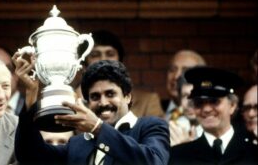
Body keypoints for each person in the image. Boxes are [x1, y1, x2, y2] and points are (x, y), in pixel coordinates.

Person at [12, 53, 170, 165]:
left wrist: (98, 128)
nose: (103, 102)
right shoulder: (77, 143)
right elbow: (28, 155)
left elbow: (154, 161)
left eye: (110, 94)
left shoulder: (150, 126)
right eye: (95, 97)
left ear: (127, 96)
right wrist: (31, 94)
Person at [169, 67, 257, 165]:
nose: (206, 109)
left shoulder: (254, 154)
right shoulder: (178, 157)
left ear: (232, 105)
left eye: (214, 101)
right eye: (199, 103)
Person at [76, 29, 164, 118]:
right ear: (84, 64)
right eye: (95, 55)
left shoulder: (148, 101)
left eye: (110, 54)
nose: (103, 59)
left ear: (120, 62)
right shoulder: (72, 99)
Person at [161, 49, 206, 120]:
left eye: (185, 70)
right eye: (172, 70)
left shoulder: (210, 113)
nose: (176, 76)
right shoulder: (155, 108)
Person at [169, 75, 203, 146]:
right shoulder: (174, 129)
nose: (189, 102)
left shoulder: (215, 132)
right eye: (185, 96)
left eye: (194, 96)